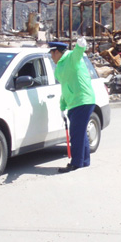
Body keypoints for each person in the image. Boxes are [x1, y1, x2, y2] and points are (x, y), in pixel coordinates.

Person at [49, 38, 96, 174]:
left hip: (82, 100)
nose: (51, 57)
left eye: (52, 53)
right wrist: (62, 106)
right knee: (80, 133)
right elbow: (65, 87)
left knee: (76, 134)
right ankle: (84, 161)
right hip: (74, 102)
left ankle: (75, 163)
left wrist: (80, 46)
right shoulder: (59, 68)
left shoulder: (70, 58)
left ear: (58, 52)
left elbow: (77, 53)